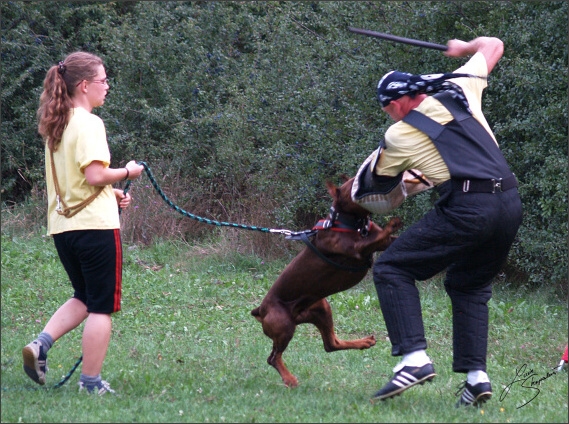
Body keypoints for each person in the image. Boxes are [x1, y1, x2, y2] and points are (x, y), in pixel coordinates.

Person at [361, 36, 522, 407]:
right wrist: (465, 46)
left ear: (398, 102)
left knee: (392, 268)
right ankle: (476, 378)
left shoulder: (398, 134)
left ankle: (414, 358)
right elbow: (495, 45)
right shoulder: (461, 84)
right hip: (510, 202)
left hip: (470, 206)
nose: (387, 113)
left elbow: (380, 195)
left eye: (386, 108)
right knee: (469, 285)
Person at [22, 51, 144, 395]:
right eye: (104, 81)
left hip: (64, 229)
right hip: (95, 228)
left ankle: (41, 344)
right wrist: (128, 172)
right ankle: (91, 384)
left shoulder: (56, 125)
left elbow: (76, 181)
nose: (107, 87)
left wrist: (112, 193)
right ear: (86, 85)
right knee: (102, 306)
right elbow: (94, 174)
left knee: (84, 295)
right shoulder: (89, 123)